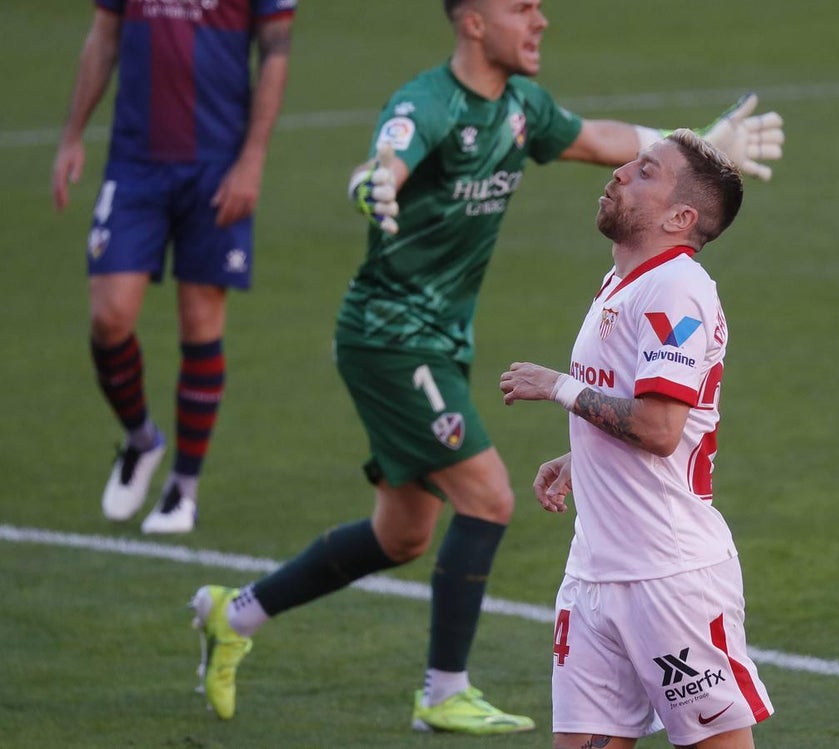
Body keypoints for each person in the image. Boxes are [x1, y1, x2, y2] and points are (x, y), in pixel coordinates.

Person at [189, 0, 783, 733]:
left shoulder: (531, 117)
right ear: (473, 20)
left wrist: (699, 143)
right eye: (521, 7)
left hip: (633, 542)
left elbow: (602, 141)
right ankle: (443, 689)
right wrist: (373, 181)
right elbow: (389, 155)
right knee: (488, 496)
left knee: (403, 532)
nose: (540, 21)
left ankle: (237, 611)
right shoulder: (428, 102)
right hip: (392, 336)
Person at [498, 129, 773, 748]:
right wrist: (583, 455)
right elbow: (651, 413)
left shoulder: (676, 290)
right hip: (595, 571)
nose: (621, 172)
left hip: (670, 578)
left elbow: (657, 428)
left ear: (682, 217)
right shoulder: (620, 284)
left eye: (646, 172)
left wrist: (560, 388)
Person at [51, 0, 296, 534]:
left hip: (217, 163)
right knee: (109, 318)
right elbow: (103, 35)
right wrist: (72, 134)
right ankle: (141, 440)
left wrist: (252, 160)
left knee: (201, 322)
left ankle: (183, 489)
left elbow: (275, 50)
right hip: (134, 163)